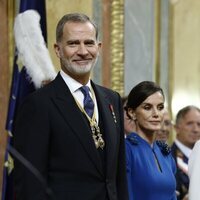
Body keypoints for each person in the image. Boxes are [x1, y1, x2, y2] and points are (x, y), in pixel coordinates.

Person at [13, 13, 128, 200]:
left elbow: (119, 177)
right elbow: (29, 184)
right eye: (73, 43)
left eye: (89, 43)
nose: (83, 51)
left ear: (99, 48)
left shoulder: (112, 99)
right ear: (58, 50)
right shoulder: (38, 104)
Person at [125, 81, 177, 200]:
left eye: (160, 107)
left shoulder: (165, 153)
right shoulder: (126, 150)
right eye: (147, 107)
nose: (156, 114)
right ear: (132, 113)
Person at [171, 105, 200, 200]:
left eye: (199, 124)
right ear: (177, 128)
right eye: (190, 124)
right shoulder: (168, 156)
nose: (196, 130)